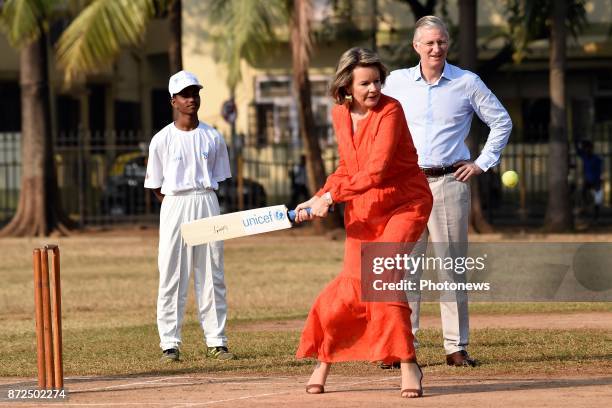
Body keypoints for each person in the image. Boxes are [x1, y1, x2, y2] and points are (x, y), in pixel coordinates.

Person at [294, 47, 433, 398]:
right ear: (346, 87)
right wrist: (319, 194)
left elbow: (377, 170)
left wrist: (330, 198)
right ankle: (324, 359)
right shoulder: (340, 115)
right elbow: (348, 168)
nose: (374, 89)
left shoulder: (391, 110)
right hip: (364, 207)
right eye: (365, 83)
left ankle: (407, 363)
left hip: (404, 204)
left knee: (382, 277)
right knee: (352, 286)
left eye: (377, 81)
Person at [383, 15, 512, 367]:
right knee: (404, 267)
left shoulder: (467, 82)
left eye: (441, 42)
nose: (436, 48)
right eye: (429, 43)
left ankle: (455, 347)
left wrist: (482, 162)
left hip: (449, 183)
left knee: (450, 266)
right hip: (406, 185)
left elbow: (501, 120)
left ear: (447, 45)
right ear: (416, 47)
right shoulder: (395, 83)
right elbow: (374, 119)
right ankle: (401, 345)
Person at [144, 70, 234, 362]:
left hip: (206, 201)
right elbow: (156, 186)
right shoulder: (161, 140)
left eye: (195, 93)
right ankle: (169, 343)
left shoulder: (213, 137)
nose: (192, 99)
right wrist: (176, 204)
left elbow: (219, 177)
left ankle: (216, 341)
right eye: (185, 94)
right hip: (175, 205)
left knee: (211, 272)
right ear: (173, 101)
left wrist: (198, 199)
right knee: (172, 273)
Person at [575, 140, 603, 220]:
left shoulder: (596, 159)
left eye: (588, 148)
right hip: (588, 180)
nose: (587, 150)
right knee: (582, 193)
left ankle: (596, 214)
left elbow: (600, 169)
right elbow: (578, 150)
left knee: (598, 197)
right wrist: (577, 140)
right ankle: (585, 207)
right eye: (585, 148)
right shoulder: (585, 156)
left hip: (596, 180)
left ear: (591, 148)